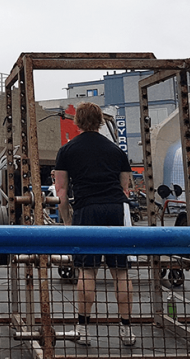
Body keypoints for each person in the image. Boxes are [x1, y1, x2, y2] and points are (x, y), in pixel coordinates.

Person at [54, 102, 135, 347]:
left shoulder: (67, 150)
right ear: (100, 121)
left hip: (87, 210)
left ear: (77, 121)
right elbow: (125, 188)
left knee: (87, 271)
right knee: (120, 272)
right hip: (116, 209)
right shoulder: (116, 150)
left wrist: (69, 223)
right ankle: (126, 330)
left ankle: (84, 329)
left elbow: (61, 193)